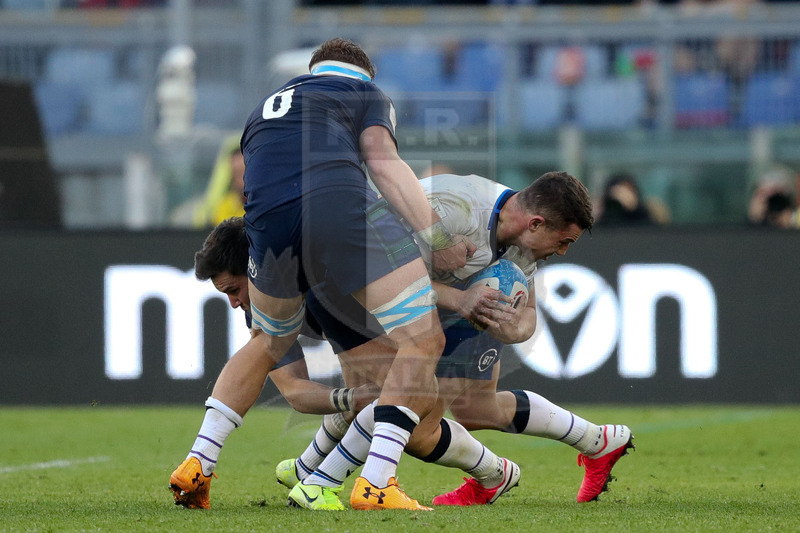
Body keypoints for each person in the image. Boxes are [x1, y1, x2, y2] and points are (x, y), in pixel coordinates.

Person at [169, 37, 473, 511]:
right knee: (422, 340)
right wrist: (437, 240)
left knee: (265, 343)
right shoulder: (364, 94)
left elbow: (256, 182)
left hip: (265, 224)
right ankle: (375, 483)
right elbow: (383, 163)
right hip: (336, 207)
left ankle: (198, 462)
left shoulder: (262, 110)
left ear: (313, 71)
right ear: (364, 73)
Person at [283, 172, 634, 510]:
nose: (562, 253)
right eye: (563, 242)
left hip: (457, 311)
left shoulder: (520, 248)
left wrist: (512, 329)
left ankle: (316, 476)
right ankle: (588, 444)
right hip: (415, 299)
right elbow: (378, 272)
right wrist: (459, 299)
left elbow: (528, 319)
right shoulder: (453, 211)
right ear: (537, 223)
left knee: (419, 411)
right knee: (442, 408)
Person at [191, 134, 247, 228]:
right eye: (237, 173)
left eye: (245, 172)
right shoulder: (221, 210)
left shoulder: (268, 207)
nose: (243, 180)